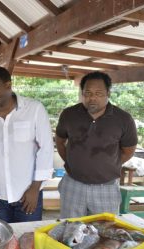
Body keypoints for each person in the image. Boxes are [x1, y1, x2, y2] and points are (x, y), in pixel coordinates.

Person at [0, 66, 54, 223]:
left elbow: (46, 150)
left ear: (8, 85)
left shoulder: (34, 109)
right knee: (4, 241)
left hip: (28, 194)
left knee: (28, 241)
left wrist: (35, 189)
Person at [55, 71, 137, 218]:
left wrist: (108, 165)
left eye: (98, 93)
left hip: (106, 187)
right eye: (87, 93)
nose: (92, 98)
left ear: (108, 93)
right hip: (73, 184)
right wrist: (70, 161)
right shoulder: (69, 114)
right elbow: (60, 141)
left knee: (105, 233)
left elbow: (128, 150)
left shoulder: (123, 119)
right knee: (70, 232)